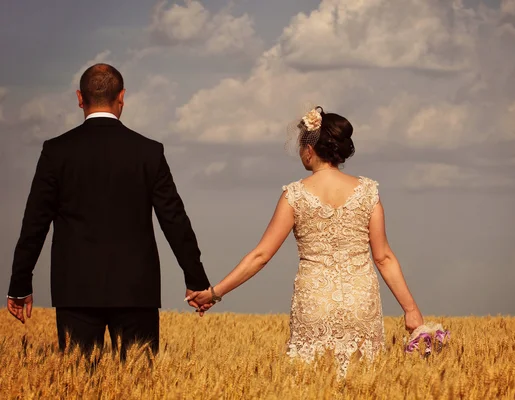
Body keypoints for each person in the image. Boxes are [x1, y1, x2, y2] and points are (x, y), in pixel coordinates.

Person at [186, 106, 424, 376]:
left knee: (310, 380)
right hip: (360, 301)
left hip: (314, 302)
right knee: (361, 379)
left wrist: (215, 292)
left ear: (310, 151)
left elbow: (261, 256)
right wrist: (411, 310)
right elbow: (384, 257)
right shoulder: (368, 192)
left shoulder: (296, 194)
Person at [6, 63, 210, 359]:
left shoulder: (56, 151)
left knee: (77, 385)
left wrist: (19, 285)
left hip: (75, 289)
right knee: (137, 387)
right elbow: (174, 220)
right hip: (136, 290)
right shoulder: (148, 152)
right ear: (122, 97)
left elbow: (34, 224)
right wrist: (197, 281)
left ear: (79, 98)